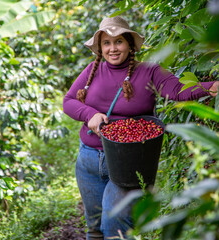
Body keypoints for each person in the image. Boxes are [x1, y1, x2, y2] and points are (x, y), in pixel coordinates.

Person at [63, 16, 218, 240]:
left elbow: (178, 91)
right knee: (94, 226)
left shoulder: (149, 72)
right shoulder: (92, 70)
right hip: (89, 160)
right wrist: (90, 115)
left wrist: (210, 87)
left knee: (115, 224)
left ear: (130, 45)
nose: (112, 49)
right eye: (106, 43)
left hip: (128, 161)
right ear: (100, 47)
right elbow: (69, 101)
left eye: (118, 42)